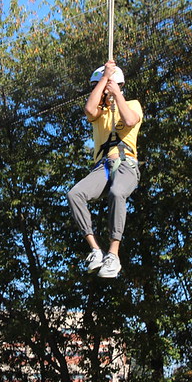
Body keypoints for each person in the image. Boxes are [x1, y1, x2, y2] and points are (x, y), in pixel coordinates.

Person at [67, 60, 142, 279]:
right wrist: (104, 77)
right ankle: (96, 250)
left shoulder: (133, 105)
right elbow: (89, 108)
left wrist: (116, 92)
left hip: (126, 164)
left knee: (117, 192)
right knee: (74, 194)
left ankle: (113, 254)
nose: (97, 92)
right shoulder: (98, 114)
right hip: (102, 167)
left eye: (101, 87)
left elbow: (129, 119)